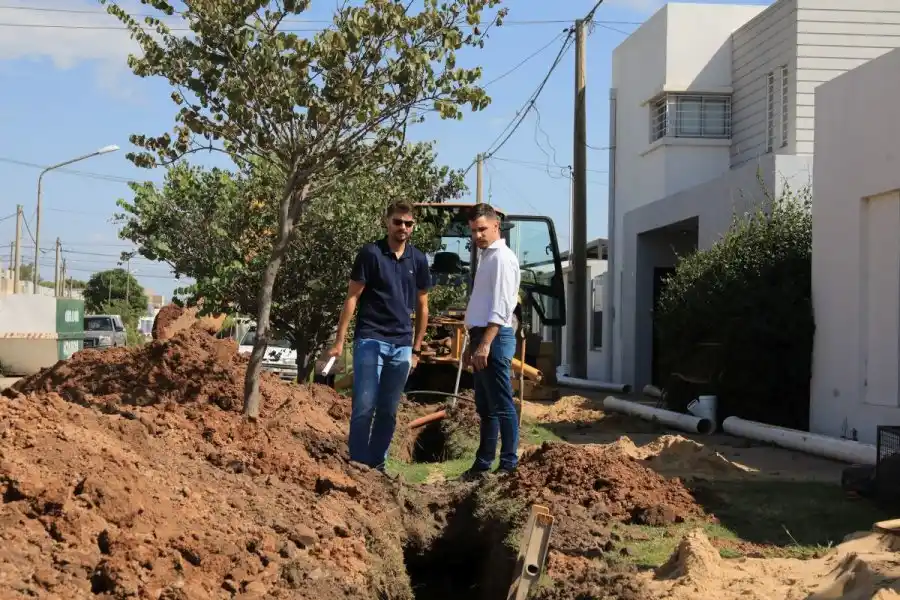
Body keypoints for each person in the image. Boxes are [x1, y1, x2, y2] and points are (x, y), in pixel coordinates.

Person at [328, 201, 431, 471]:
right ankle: (358, 460)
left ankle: (377, 463)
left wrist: (416, 349)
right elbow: (352, 297)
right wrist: (340, 341)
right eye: (398, 222)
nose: (403, 228)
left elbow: (423, 306)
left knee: (388, 409)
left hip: (402, 344)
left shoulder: (418, 260)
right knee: (364, 403)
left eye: (408, 223)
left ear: (413, 226)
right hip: (370, 338)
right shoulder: (371, 254)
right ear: (387, 222)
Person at [462, 203, 521, 479]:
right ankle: (483, 463)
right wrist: (469, 346)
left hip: (493, 337)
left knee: (501, 403)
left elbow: (501, 305)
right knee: (486, 406)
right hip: (481, 335)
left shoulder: (502, 258)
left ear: (496, 226)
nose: (477, 236)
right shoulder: (487, 257)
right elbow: (479, 304)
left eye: (482, 229)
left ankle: (509, 464)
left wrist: (485, 344)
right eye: (473, 231)